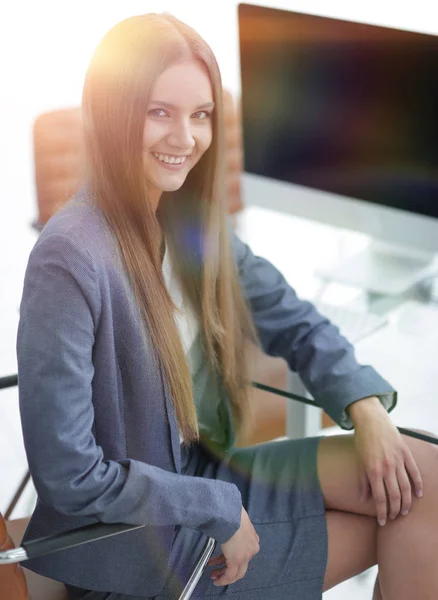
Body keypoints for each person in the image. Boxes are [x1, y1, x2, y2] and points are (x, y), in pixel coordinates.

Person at [17, 13, 438, 600]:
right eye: (159, 111)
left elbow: (292, 317)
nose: (185, 138)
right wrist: (214, 505)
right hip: (137, 541)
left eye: (201, 114)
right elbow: (69, 474)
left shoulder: (188, 223)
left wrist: (365, 408)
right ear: (112, 111)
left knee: (424, 478)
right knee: (402, 514)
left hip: (206, 475)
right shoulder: (71, 257)